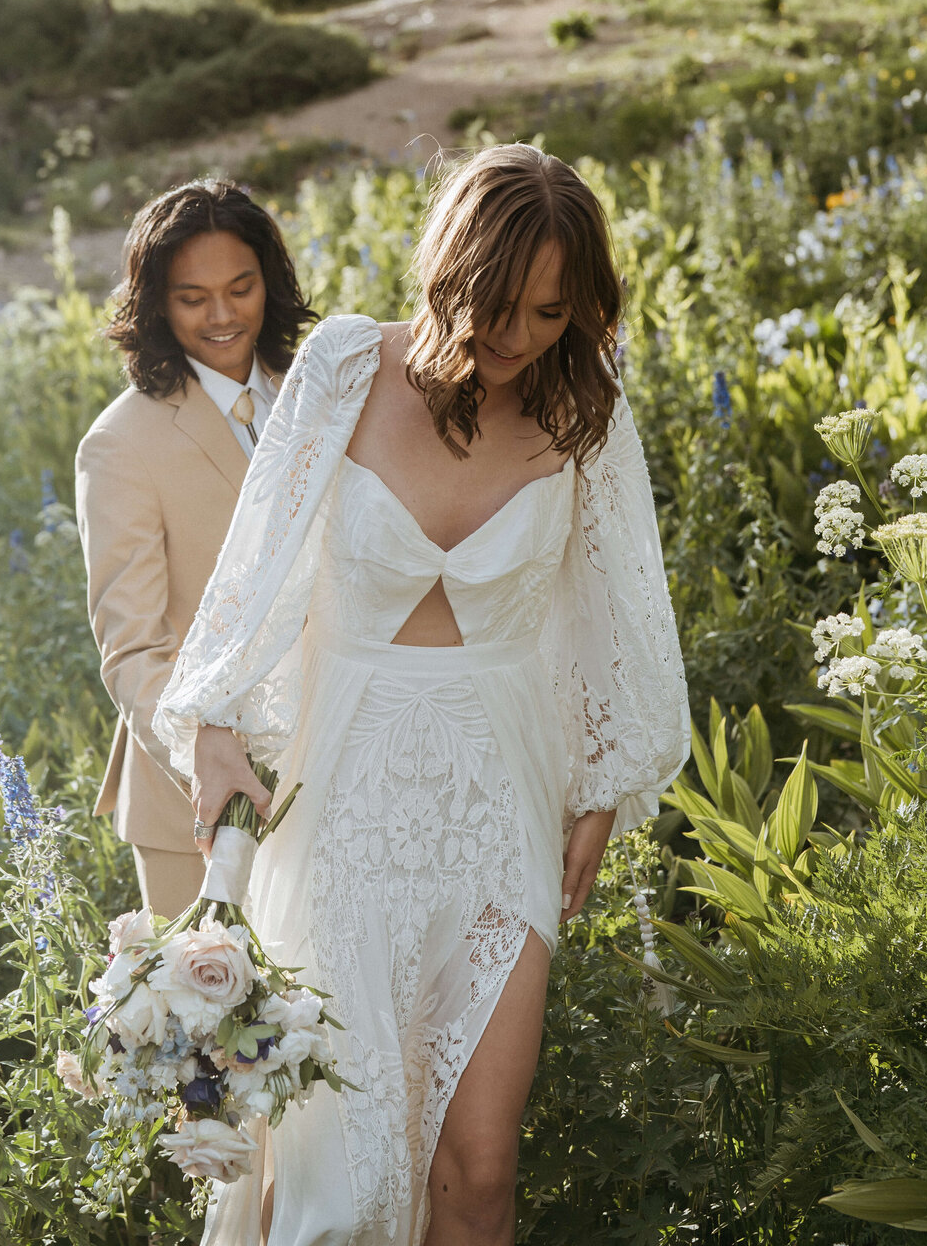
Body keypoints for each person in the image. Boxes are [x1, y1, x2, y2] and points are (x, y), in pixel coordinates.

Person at [155, 143, 690, 1246]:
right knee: (338, 1167)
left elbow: (619, 607)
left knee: (482, 1167)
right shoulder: (345, 369)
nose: (517, 338)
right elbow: (254, 571)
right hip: (345, 791)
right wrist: (211, 723)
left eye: (550, 312)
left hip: (502, 794)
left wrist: (602, 788)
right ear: (449, 269)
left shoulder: (583, 408)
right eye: (497, 305)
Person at [75, 179, 315, 921]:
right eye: (191, 297)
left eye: (241, 288)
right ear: (155, 305)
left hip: (332, 762)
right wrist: (204, 749)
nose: (221, 315)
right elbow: (132, 647)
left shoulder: (315, 394)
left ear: (268, 285)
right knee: (222, 1032)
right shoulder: (120, 445)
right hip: (196, 805)